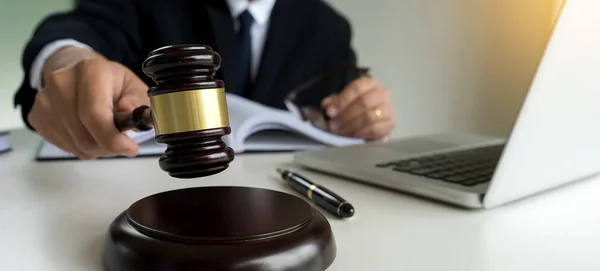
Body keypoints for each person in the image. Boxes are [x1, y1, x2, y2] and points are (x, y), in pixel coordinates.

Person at [13, 0, 396, 160]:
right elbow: (75, 31)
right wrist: (69, 61)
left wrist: (364, 116)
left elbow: (336, 114)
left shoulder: (327, 27)